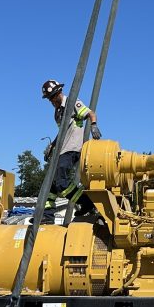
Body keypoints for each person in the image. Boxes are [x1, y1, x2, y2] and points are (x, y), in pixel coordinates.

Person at [41, 79, 101, 217]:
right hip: (62, 150)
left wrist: (94, 125)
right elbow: (63, 132)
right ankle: (47, 216)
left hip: (72, 148)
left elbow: (90, 113)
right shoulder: (57, 112)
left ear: (59, 93)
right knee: (52, 183)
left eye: (52, 97)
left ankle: (87, 203)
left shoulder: (71, 102)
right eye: (49, 99)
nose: (51, 101)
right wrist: (52, 146)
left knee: (61, 183)